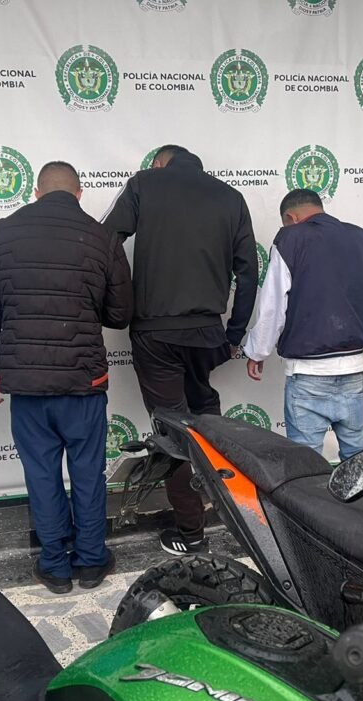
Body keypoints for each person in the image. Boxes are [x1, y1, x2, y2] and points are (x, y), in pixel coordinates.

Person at [0, 161, 132, 593]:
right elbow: (120, 314)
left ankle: (55, 566)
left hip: (27, 385)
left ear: (37, 192)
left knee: (41, 474)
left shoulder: (2, 232)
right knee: (88, 472)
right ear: (79, 194)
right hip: (83, 383)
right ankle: (92, 561)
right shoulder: (102, 237)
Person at [104, 144, 257, 556]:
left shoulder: (145, 184)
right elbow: (248, 273)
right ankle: (240, 517)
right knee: (208, 424)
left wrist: (120, 303)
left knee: (173, 432)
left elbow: (106, 240)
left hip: (155, 332)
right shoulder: (231, 197)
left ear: (160, 163)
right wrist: (234, 332)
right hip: (208, 333)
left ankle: (191, 533)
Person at [242, 188, 363, 460]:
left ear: (291, 218)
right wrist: (353, 336)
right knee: (357, 458)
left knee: (306, 464)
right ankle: (359, 492)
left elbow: (273, 304)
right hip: (355, 370)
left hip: (308, 374)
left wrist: (258, 351)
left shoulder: (290, 239)